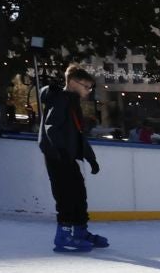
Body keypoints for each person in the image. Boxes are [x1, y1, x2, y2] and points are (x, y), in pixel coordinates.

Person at [37, 65, 108, 253]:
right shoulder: (60, 99)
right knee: (66, 195)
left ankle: (80, 231)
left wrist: (90, 158)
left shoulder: (72, 101)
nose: (88, 91)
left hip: (67, 156)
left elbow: (77, 134)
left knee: (78, 193)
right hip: (58, 157)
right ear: (73, 82)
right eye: (86, 86)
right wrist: (60, 150)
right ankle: (63, 235)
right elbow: (50, 127)